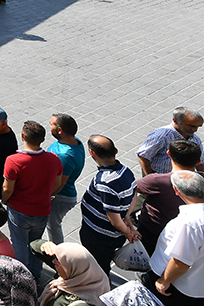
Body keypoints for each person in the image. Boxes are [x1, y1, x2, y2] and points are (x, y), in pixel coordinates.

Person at [2, 120, 64, 280]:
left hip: (19, 211)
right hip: (43, 210)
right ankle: (36, 275)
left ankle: (21, 278)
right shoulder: (54, 159)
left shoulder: (13, 160)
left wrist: (4, 200)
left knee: (19, 243)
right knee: (36, 244)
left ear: (22, 136)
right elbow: (57, 185)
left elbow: (7, 188)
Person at [79, 135, 139, 276]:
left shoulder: (105, 182)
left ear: (92, 153)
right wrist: (127, 217)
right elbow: (134, 194)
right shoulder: (125, 170)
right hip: (112, 235)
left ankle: (100, 290)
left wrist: (128, 232)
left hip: (99, 236)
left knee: (99, 267)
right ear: (116, 151)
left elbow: (115, 221)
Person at [142, 170, 204, 305]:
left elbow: (181, 261)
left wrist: (164, 281)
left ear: (176, 191)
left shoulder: (191, 223)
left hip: (181, 287)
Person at [135, 140, 202, 255]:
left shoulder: (156, 181)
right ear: (199, 161)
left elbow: (131, 188)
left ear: (169, 154)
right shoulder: (202, 180)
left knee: (147, 258)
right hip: (183, 236)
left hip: (152, 230)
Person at [29, 241, 110, 306]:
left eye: (58, 261)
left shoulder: (82, 302)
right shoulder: (79, 273)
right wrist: (46, 245)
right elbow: (34, 247)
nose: (53, 261)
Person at [45, 113, 85, 244]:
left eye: (51, 124)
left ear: (60, 130)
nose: (49, 126)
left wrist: (45, 196)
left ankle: (58, 254)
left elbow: (60, 183)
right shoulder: (75, 141)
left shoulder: (64, 155)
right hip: (63, 193)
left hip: (61, 197)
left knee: (53, 226)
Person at [137, 108, 203, 175]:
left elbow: (200, 162)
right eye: (191, 126)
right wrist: (150, 177)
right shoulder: (161, 136)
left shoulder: (195, 139)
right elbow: (143, 156)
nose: (195, 130)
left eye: (198, 126)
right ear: (175, 121)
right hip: (159, 176)